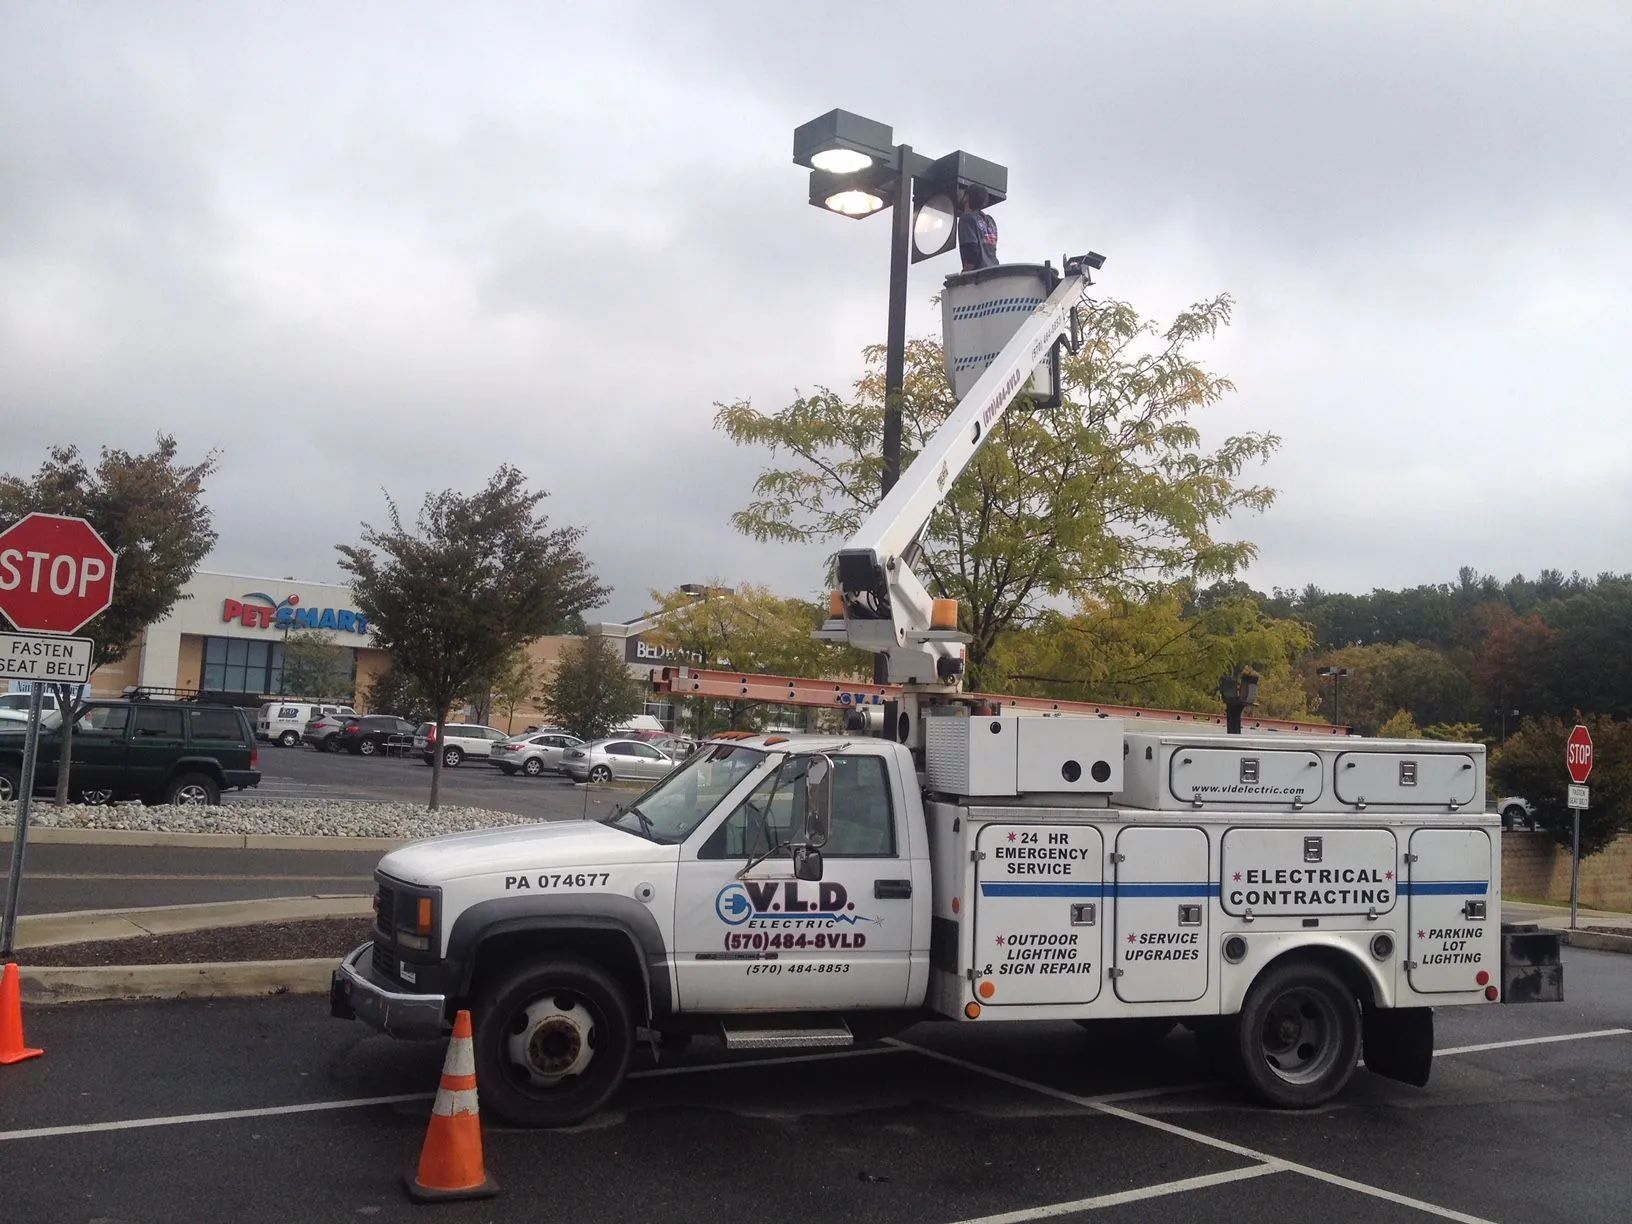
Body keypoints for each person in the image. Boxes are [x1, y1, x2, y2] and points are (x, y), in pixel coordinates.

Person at [957, 185, 999, 270]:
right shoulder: (990, 221)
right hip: (994, 272)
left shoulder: (967, 219)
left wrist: (964, 276)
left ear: (967, 198)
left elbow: (972, 252)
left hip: (979, 277)